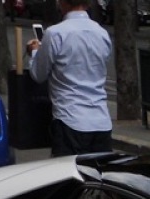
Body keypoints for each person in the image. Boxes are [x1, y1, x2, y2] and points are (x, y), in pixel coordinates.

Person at [26, 0, 112, 157]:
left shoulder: (55, 33)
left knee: (69, 177)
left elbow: (38, 75)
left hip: (70, 119)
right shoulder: (102, 34)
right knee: (98, 177)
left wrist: (34, 53)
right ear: (87, 4)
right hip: (101, 121)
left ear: (61, 3)